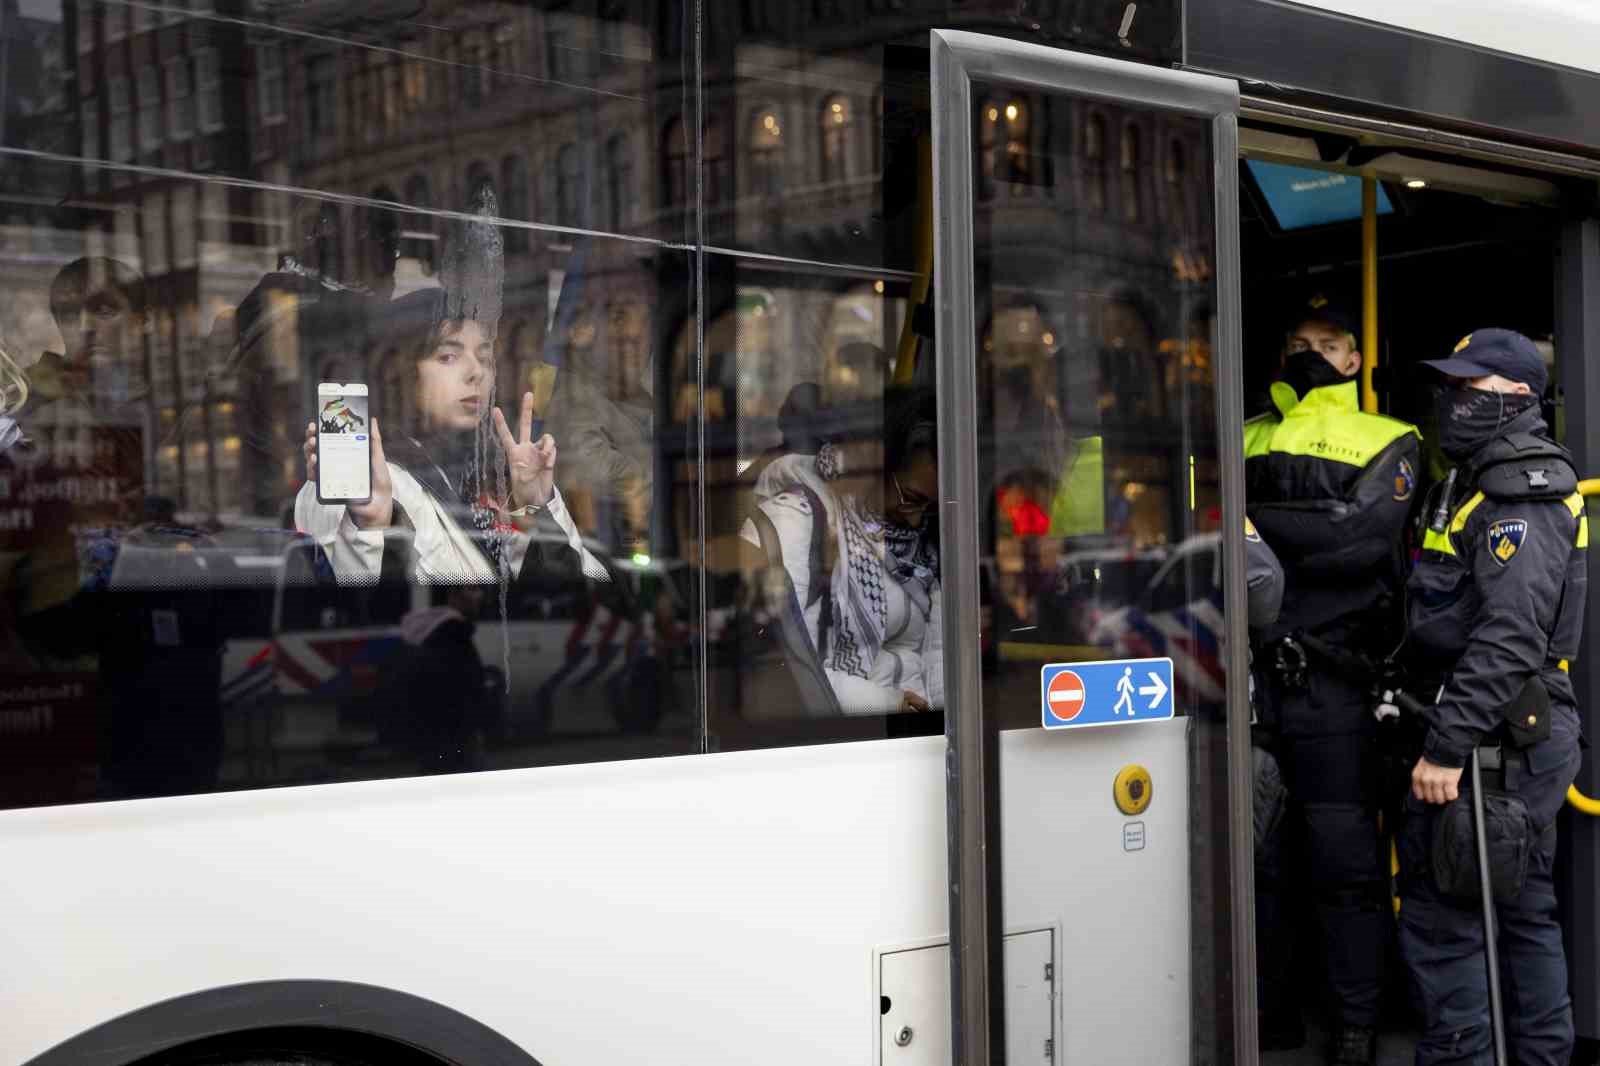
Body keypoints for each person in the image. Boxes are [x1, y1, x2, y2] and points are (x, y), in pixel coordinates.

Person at [1399, 329, 1584, 1066]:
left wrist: (1447, 748)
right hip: (1509, 736)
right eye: (1450, 389)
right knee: (1520, 911)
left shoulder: (1520, 488)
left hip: (1497, 745)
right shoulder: (1474, 477)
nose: (1452, 403)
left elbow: (1509, 638)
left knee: (1450, 925)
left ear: (1516, 397)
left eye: (1468, 390)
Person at [1245, 303, 1421, 1065]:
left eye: (1328, 345)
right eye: (1298, 343)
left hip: (1338, 684)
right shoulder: (1246, 430)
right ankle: (1273, 1018)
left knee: (1345, 864)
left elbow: (1357, 538)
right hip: (1257, 683)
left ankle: (1356, 1027)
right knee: (1260, 863)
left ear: (1356, 360)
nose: (1311, 354)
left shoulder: (1394, 438)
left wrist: (1258, 533)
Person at [295, 288, 606, 589]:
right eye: (448, 357)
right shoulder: (354, 484)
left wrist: (539, 508)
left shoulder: (485, 477)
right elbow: (362, 617)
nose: (476, 372)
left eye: (485, 358)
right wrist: (371, 528)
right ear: (398, 372)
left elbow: (588, 596)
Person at [740, 388, 942, 715]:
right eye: (910, 497)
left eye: (929, 507)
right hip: (850, 735)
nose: (916, 518)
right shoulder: (798, 522)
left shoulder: (922, 541)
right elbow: (789, 669)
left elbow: (935, 655)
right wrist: (889, 706)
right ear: (875, 466)